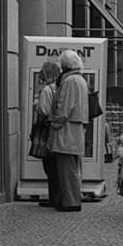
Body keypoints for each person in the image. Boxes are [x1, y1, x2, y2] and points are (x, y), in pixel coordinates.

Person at [49, 49, 90, 212]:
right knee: (69, 166)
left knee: (67, 168)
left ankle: (72, 201)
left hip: (67, 129)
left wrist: (55, 123)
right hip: (76, 128)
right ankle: (63, 199)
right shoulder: (80, 79)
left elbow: (64, 107)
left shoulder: (69, 80)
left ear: (66, 64)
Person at [35, 61, 62, 208]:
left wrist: (36, 107)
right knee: (57, 166)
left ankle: (54, 198)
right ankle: (57, 196)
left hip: (46, 131)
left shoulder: (46, 90)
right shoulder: (60, 87)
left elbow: (44, 111)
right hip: (58, 130)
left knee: (50, 167)